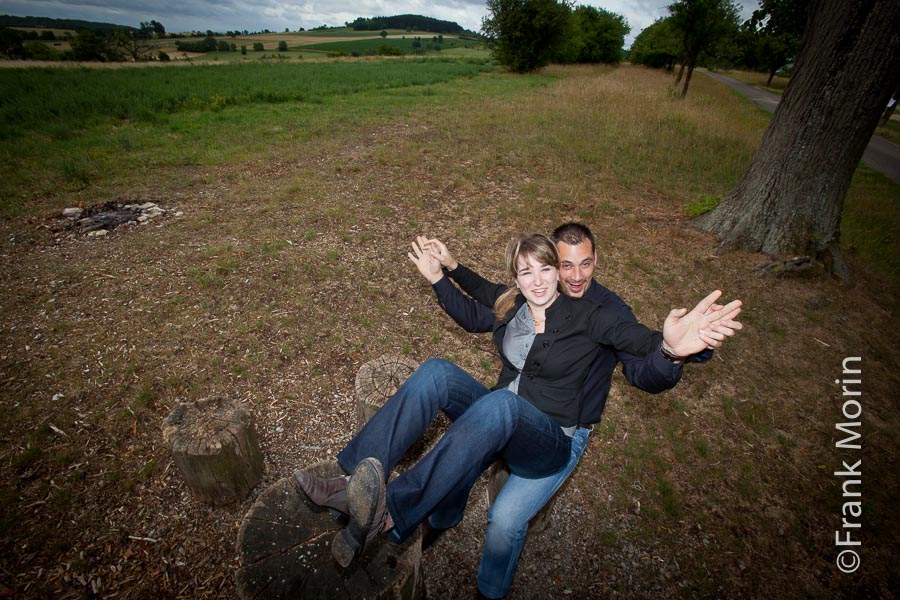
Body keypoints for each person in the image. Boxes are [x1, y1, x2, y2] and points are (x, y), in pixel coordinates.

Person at [293, 233, 741, 588]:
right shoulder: (516, 307)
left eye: (547, 268)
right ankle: (353, 483)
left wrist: (674, 350)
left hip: (549, 438)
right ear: (517, 277)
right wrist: (442, 273)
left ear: (560, 273)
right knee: (437, 372)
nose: (540, 280)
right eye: (527, 272)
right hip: (499, 417)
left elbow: (644, 350)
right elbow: (476, 305)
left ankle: (389, 513)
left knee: (502, 411)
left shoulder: (591, 316)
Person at [409, 222, 722, 598]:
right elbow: (495, 297)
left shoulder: (605, 312)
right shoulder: (539, 290)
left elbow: (644, 370)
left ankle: (489, 590)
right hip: (508, 406)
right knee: (461, 457)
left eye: (585, 264)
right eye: (565, 265)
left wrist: (676, 352)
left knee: (505, 520)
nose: (576, 276)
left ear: (597, 261)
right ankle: (441, 518)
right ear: (552, 263)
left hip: (559, 431)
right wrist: (453, 268)